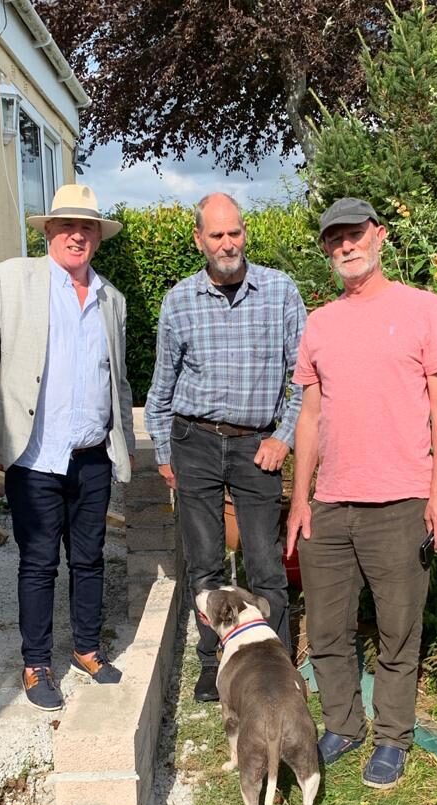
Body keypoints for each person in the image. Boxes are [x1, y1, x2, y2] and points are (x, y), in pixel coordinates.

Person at [286, 197, 437, 789]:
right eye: (334, 239)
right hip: (330, 505)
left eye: (354, 234)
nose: (345, 246)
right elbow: (309, 416)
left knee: (397, 630)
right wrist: (300, 499)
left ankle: (391, 737)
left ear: (378, 236)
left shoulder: (423, 309)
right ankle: (342, 724)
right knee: (329, 630)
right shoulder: (319, 323)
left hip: (402, 502)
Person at [0, 183, 135, 712]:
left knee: (89, 559)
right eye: (66, 226)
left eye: (87, 228)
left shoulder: (112, 299)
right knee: (38, 563)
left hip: (91, 456)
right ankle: (37, 663)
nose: (76, 235)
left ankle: (86, 648)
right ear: (50, 233)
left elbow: (119, 380)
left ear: (98, 239)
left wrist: (122, 442)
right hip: (35, 455)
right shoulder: (10, 281)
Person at [145, 193, 307, 702]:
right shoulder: (178, 300)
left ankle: (271, 662)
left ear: (245, 233)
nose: (227, 243)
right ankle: (212, 661)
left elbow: (304, 380)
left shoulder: (280, 291)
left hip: (256, 445)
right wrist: (163, 448)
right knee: (205, 563)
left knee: (263, 561)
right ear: (199, 240)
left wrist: (283, 436)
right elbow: (162, 384)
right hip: (194, 441)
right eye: (216, 235)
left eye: (234, 232)